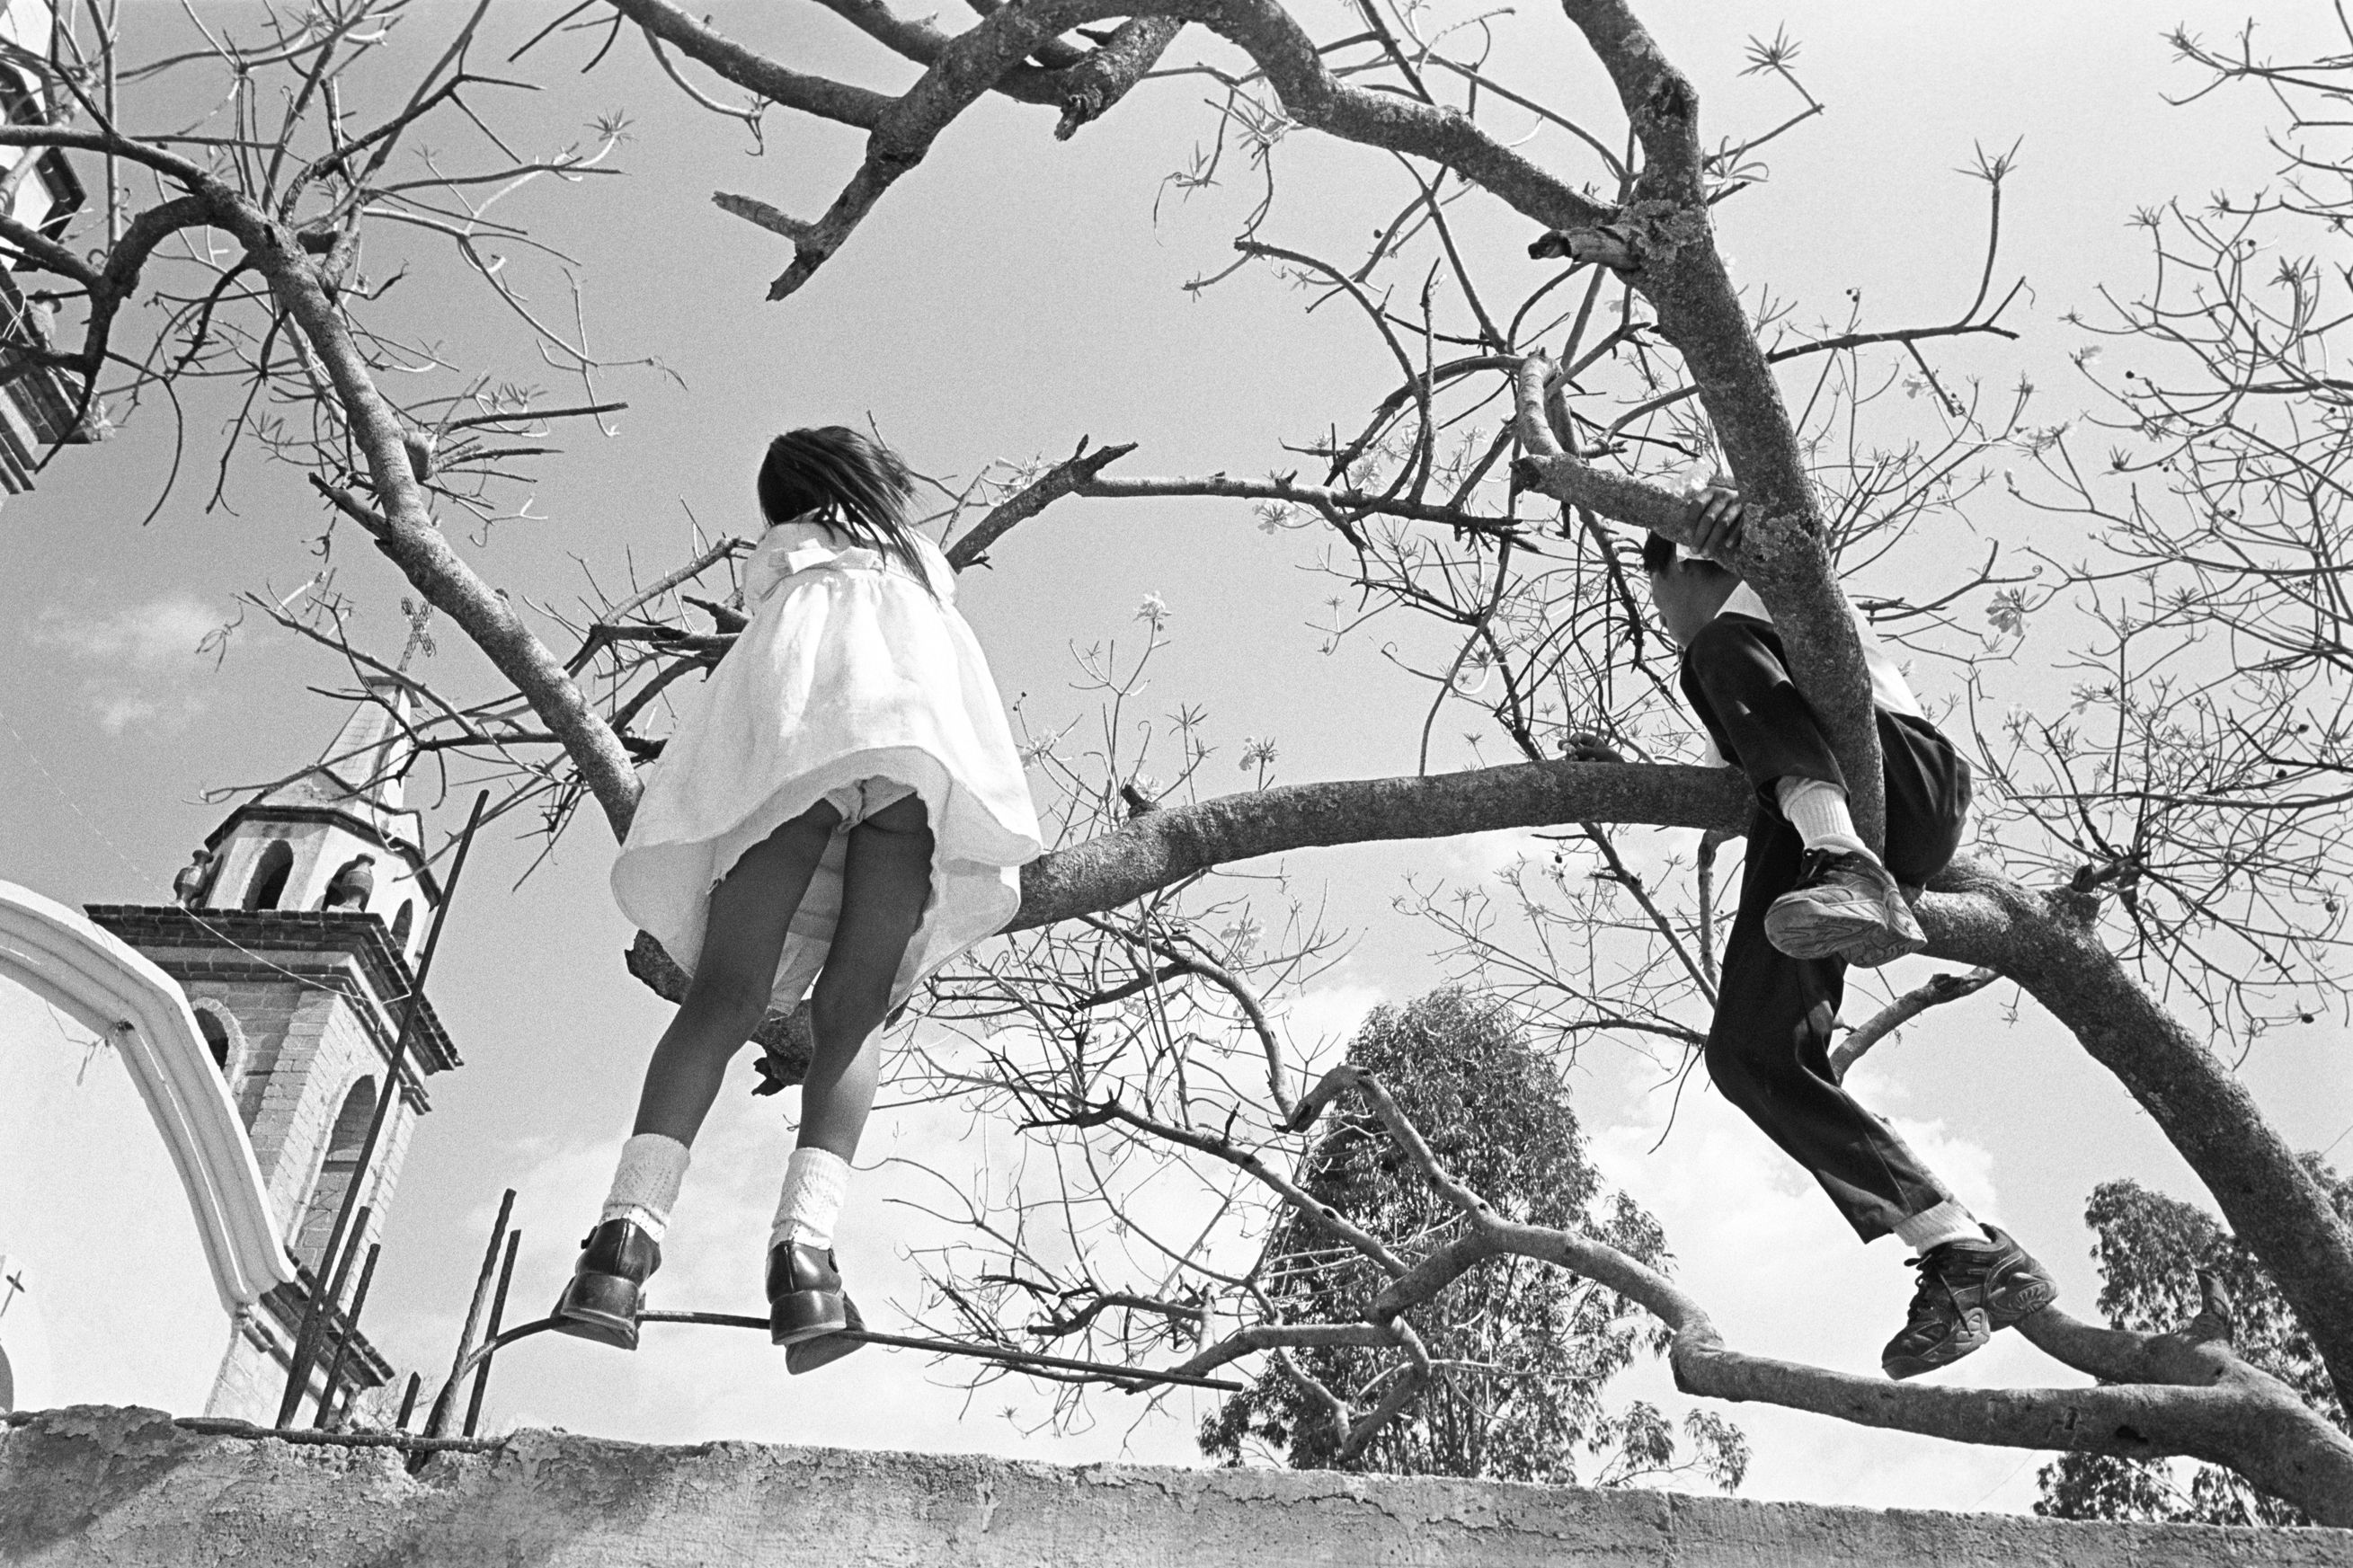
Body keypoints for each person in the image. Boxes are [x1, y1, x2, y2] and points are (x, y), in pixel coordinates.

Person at [555, 427, 1043, 1372]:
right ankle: (806, 1260)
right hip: (912, 765)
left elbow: (777, 677)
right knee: (853, 1016)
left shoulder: (786, 557)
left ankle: (620, 1248)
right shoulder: (921, 568)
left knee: (722, 999)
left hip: (805, 761)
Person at [1642, 483, 2057, 1379]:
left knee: (1712, 651)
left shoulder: (1759, 600)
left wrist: (1726, 509)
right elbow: (1740, 779)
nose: (1662, 621)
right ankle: (1962, 1249)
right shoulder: (1734, 675)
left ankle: (1845, 863)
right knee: (1748, 1053)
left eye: (1659, 598)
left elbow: (1788, 520)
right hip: (1810, 817)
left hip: (1902, 778)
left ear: (1681, 565)